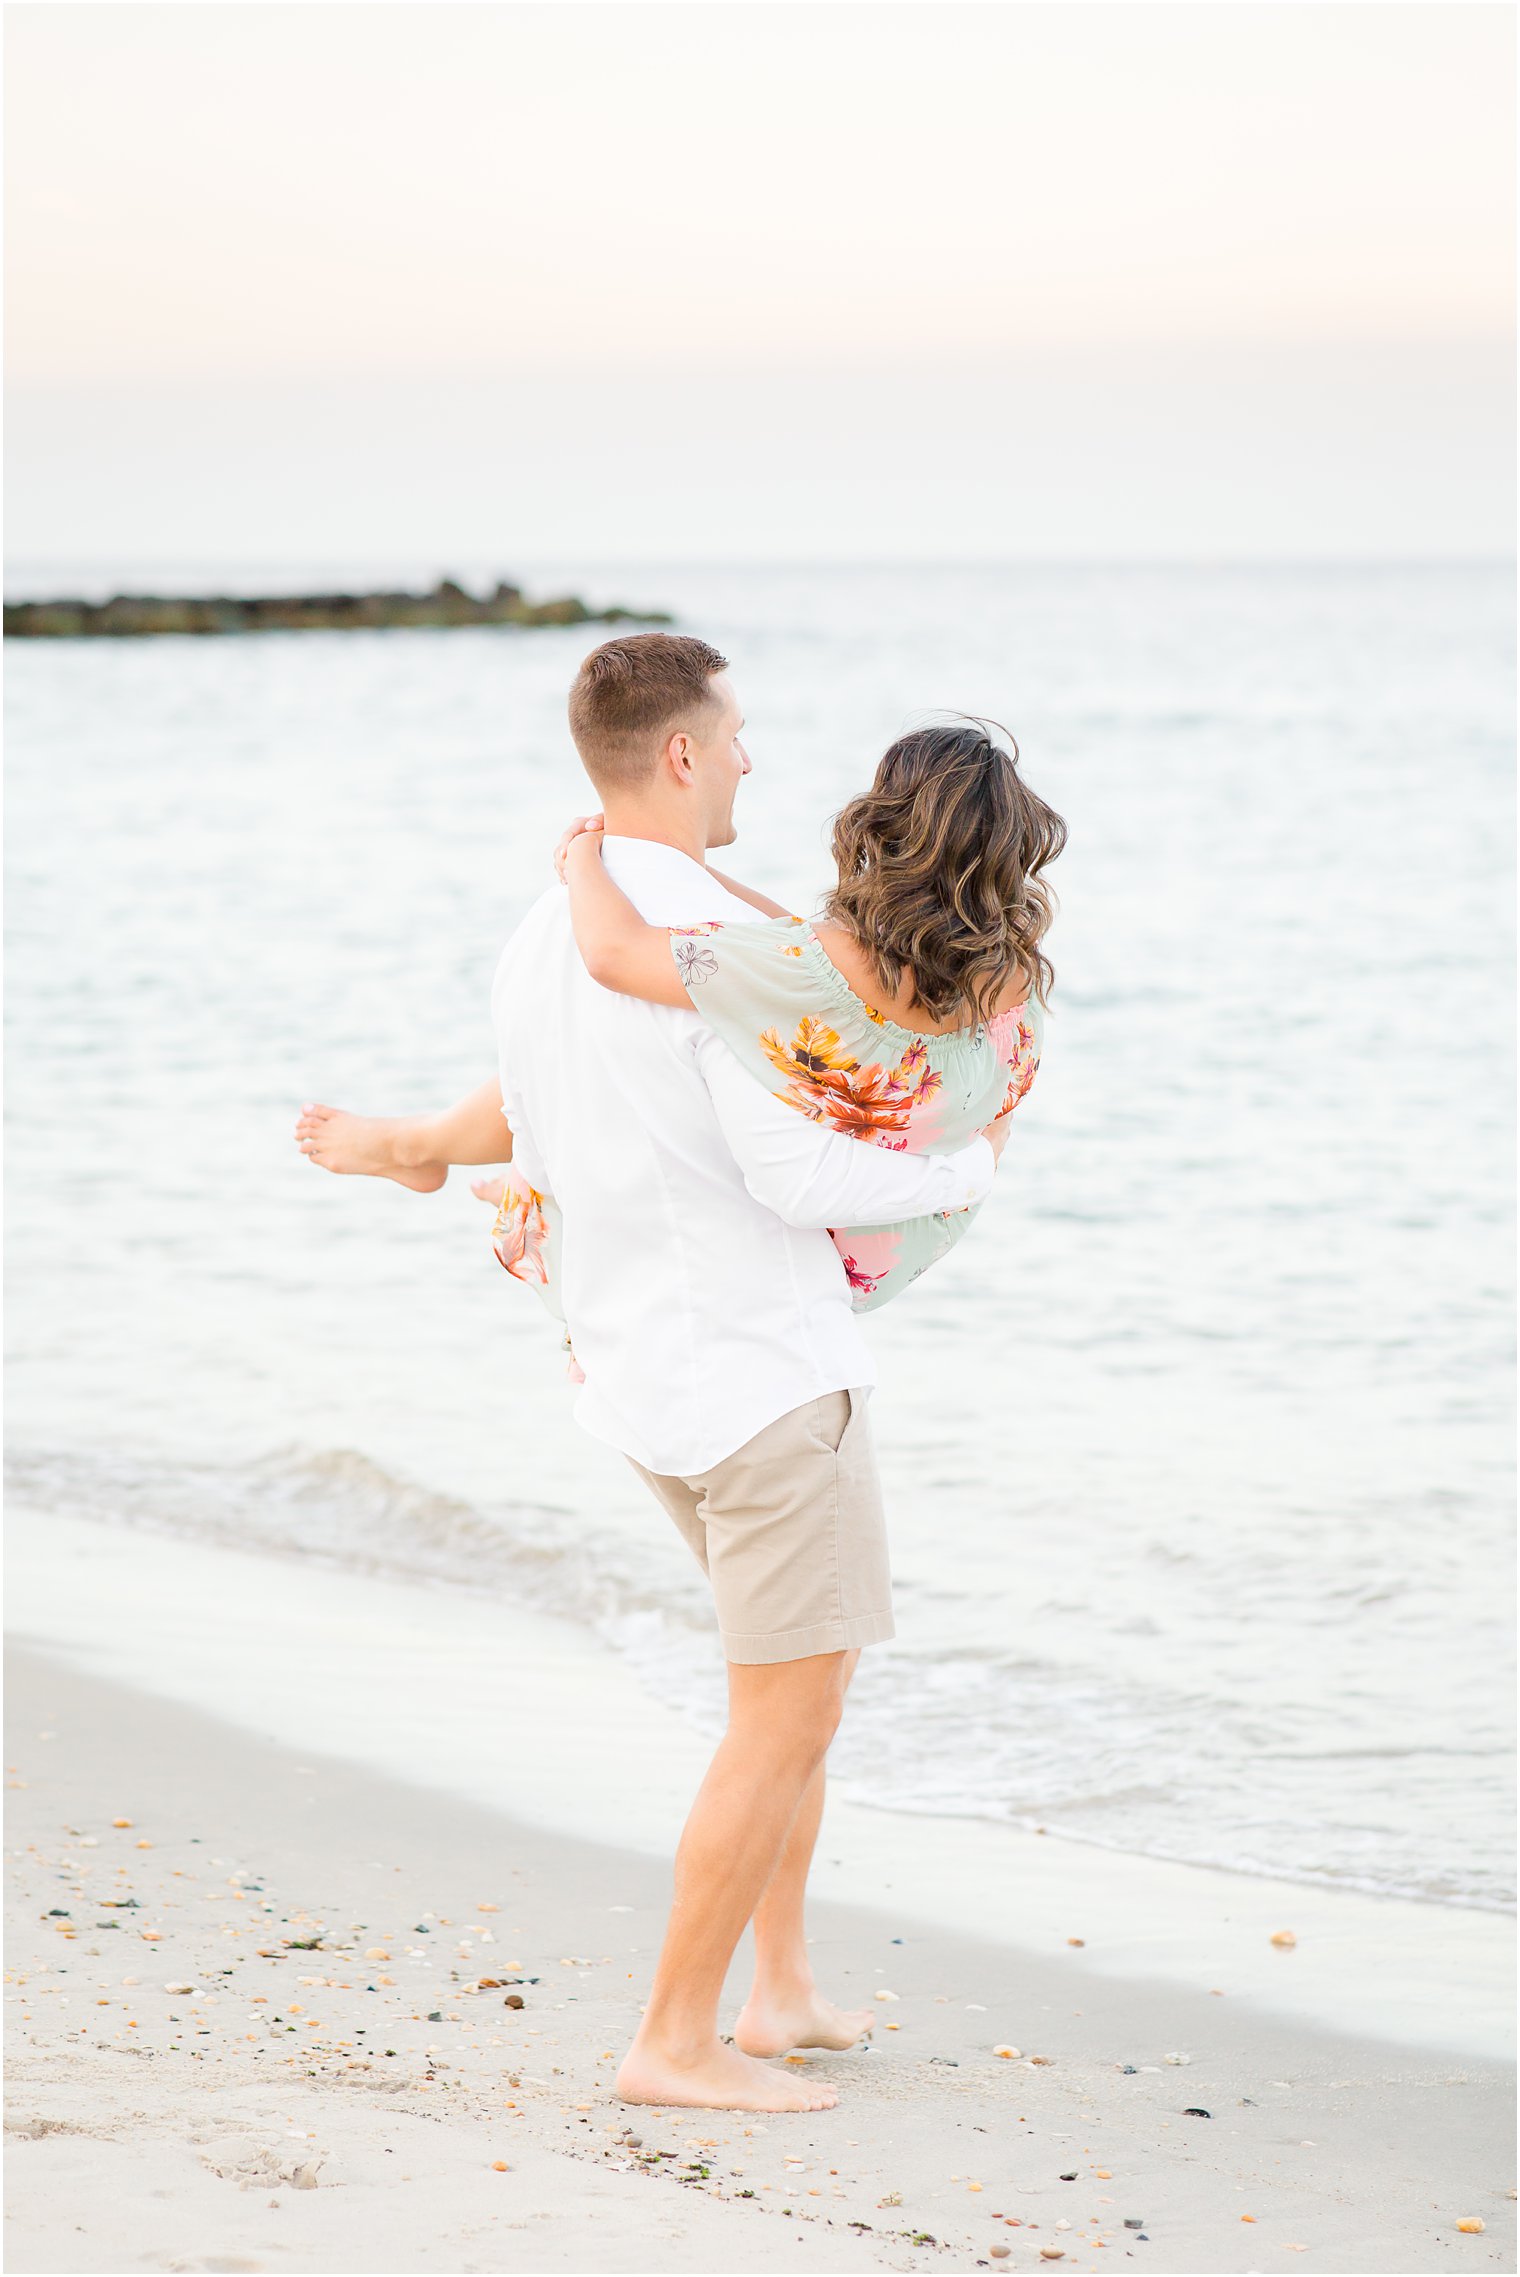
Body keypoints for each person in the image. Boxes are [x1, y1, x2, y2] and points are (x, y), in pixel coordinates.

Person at [295, 633, 1065, 2113]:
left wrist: (408, 1147)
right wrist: (970, 1162)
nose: (759, 760)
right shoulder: (739, 952)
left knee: (793, 1701)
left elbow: (530, 1112)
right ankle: (675, 2037)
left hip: (641, 1373)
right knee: (784, 1719)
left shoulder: (549, 929)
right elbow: (788, 1169)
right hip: (763, 1380)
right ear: (685, 755)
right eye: (740, 734)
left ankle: (776, 1991)